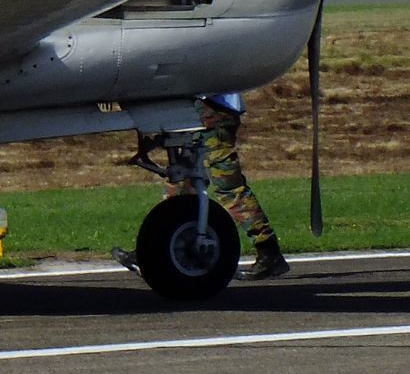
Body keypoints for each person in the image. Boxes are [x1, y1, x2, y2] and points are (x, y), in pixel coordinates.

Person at [115, 93, 290, 281]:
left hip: (212, 115)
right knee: (183, 183)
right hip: (202, 113)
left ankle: (269, 251)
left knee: (230, 188)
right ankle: (154, 251)